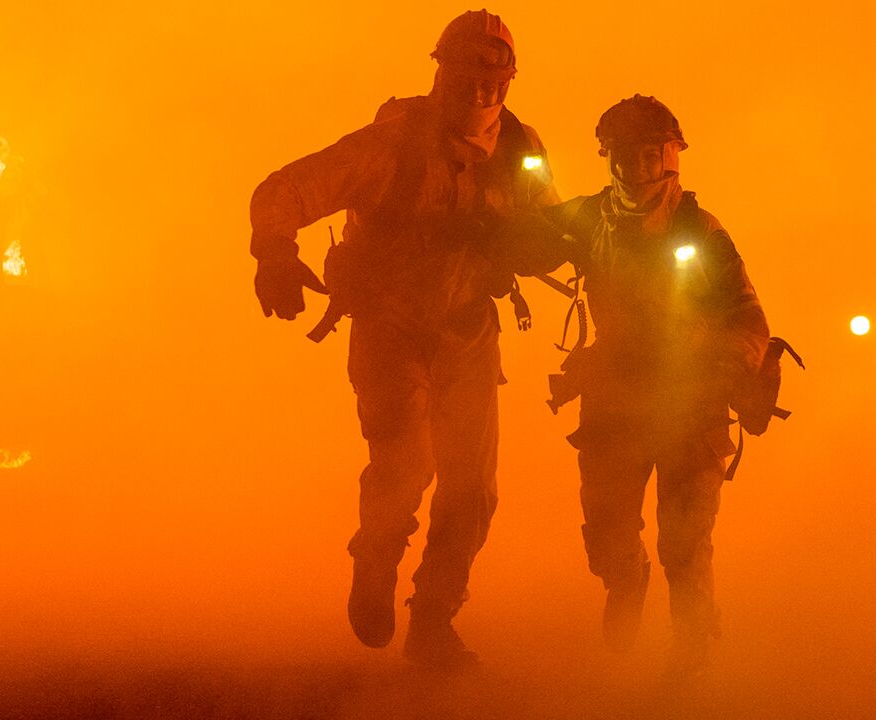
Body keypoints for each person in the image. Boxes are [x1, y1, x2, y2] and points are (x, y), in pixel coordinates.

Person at [248, 9, 559, 668]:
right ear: (439, 69)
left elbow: (554, 234)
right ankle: (376, 558)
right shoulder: (391, 144)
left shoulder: (521, 152)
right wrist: (274, 252)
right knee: (406, 464)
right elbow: (288, 188)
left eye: (492, 68)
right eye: (465, 65)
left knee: (473, 490)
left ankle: (435, 620)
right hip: (389, 327)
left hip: (468, 329)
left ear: (509, 76)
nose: (479, 82)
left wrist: (545, 247)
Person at [541, 95, 770, 675]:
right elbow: (523, 236)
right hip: (615, 400)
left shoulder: (703, 231)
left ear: (672, 156)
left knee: (685, 543)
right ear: (609, 160)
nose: (640, 170)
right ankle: (627, 585)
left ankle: (690, 664)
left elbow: (748, 315)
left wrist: (730, 364)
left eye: (651, 156)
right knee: (609, 535)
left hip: (691, 402)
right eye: (627, 157)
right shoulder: (588, 217)